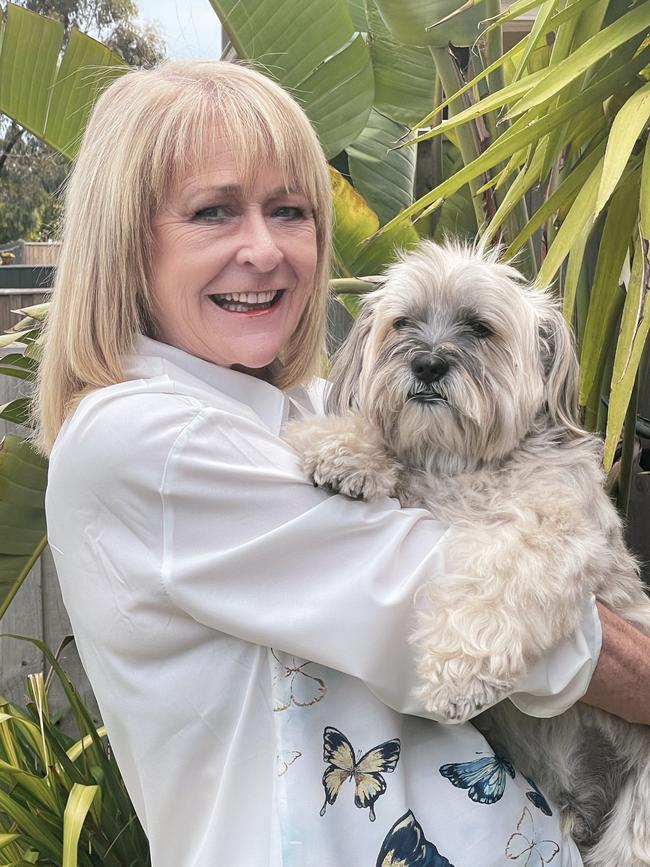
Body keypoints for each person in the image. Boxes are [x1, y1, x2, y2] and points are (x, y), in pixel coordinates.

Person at [35, 60, 649, 867]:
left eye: (290, 211)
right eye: (214, 212)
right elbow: (448, 616)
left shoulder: (301, 409)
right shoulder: (144, 437)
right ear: (127, 240)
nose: (263, 249)